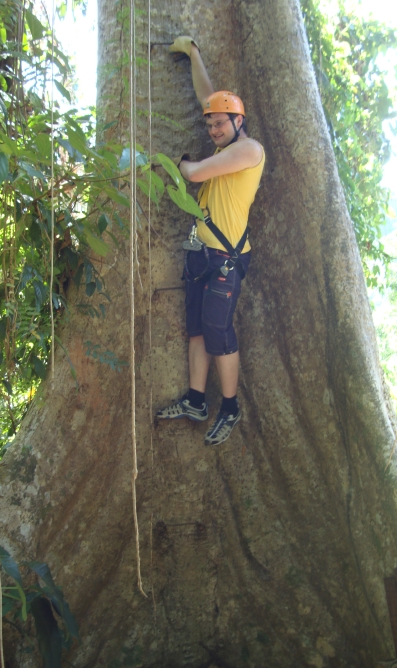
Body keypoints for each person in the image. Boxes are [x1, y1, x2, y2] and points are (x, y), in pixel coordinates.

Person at [156, 36, 265, 446]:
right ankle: (196, 400)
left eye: (221, 122)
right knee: (198, 333)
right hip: (201, 256)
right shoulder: (225, 137)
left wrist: (182, 162)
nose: (214, 128)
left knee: (220, 334)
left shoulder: (249, 151)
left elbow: (195, 173)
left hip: (226, 260)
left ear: (239, 122)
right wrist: (194, 54)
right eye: (210, 123)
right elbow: (212, 99)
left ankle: (231, 407)